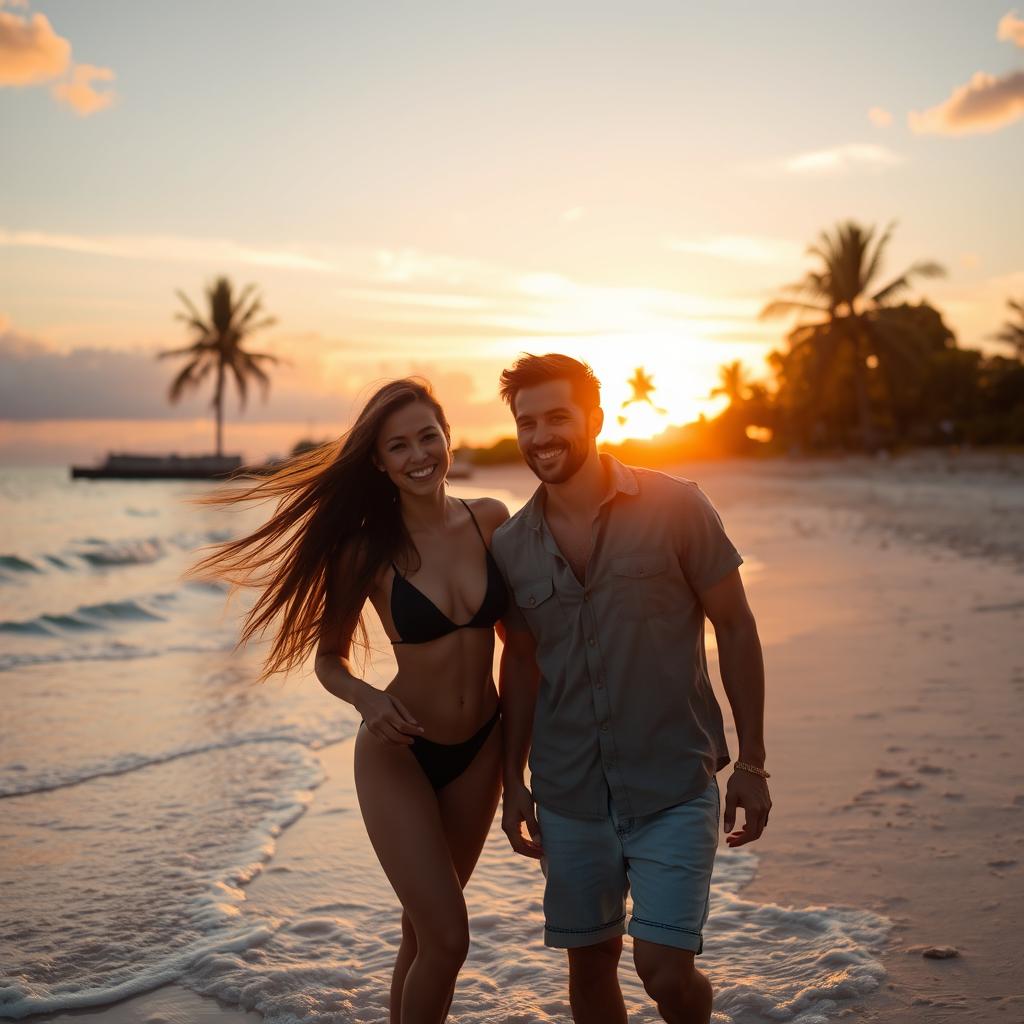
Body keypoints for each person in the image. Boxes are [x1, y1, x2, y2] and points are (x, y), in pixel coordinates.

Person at [190, 378, 511, 1024]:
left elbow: (528, 647)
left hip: (482, 748)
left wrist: (531, 760)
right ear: (379, 462)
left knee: (422, 934)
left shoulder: (492, 520)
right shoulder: (366, 550)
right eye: (399, 446)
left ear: (449, 436)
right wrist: (367, 699)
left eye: (428, 436)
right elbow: (329, 661)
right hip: (400, 752)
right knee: (449, 939)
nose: (419, 454)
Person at [491, 354, 772, 1024]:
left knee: (665, 972)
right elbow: (522, 666)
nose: (540, 436)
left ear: (594, 418)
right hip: (569, 793)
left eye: (556, 417)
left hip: (673, 785)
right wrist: (512, 784)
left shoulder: (677, 505)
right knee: (589, 972)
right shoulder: (508, 546)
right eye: (526, 423)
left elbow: (735, 627)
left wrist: (754, 762)